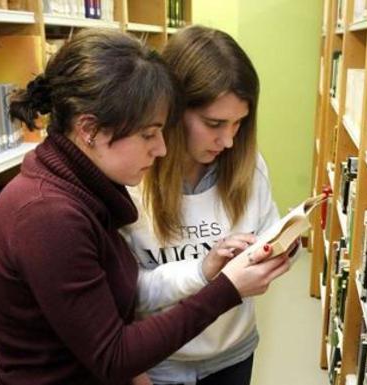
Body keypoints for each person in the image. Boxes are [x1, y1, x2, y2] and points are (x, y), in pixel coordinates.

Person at [0, 29, 290, 385]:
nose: (161, 148)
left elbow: (111, 309)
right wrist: (225, 288)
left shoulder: (84, 189)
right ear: (90, 130)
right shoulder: (48, 215)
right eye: (148, 134)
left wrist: (208, 270)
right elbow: (113, 354)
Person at [122, 26, 296, 385]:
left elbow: (271, 227)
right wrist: (205, 271)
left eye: (239, 123)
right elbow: (127, 293)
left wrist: (278, 251)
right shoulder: (131, 176)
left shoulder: (249, 165)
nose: (229, 141)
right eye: (214, 123)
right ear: (170, 110)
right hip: (160, 363)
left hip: (234, 354)